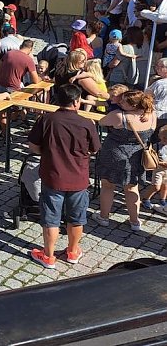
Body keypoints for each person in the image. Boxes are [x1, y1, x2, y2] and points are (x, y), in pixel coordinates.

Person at [27, 84, 100, 268]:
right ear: (76, 102)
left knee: (50, 218)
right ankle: (73, 252)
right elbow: (95, 149)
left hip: (53, 177)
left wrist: (48, 152)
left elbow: (33, 146)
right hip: (78, 178)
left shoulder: (46, 120)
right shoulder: (86, 123)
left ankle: (49, 256)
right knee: (76, 218)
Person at [93, 90, 156, 231]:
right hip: (137, 155)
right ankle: (134, 221)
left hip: (115, 154)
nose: (120, 102)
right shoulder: (151, 115)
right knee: (132, 188)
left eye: (123, 101)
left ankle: (103, 217)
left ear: (133, 105)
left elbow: (102, 122)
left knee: (108, 185)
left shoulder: (119, 116)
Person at [141, 126, 167, 210]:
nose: (165, 141)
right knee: (156, 187)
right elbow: (152, 158)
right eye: (164, 138)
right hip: (158, 170)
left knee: (165, 186)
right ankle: (146, 198)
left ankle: (162, 199)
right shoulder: (156, 146)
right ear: (160, 137)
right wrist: (161, 163)